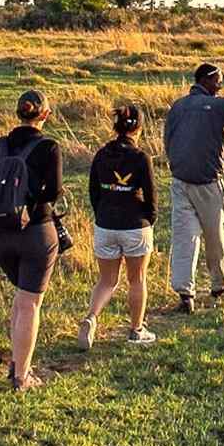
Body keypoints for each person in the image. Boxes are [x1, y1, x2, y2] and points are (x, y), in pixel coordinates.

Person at [163, 63, 224, 313]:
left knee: (184, 238)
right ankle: (220, 283)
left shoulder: (177, 106)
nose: (220, 85)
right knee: (213, 235)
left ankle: (186, 294)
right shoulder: (218, 106)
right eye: (218, 81)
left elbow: (168, 139)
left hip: (179, 181)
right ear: (206, 81)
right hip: (207, 183)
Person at [0, 89, 64, 390]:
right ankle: (22, 375)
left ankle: (17, 361)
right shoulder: (49, 147)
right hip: (36, 233)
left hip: (1, 234)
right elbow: (53, 192)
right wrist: (31, 206)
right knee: (30, 303)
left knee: (20, 298)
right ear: (45, 115)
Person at [79, 103, 158, 349]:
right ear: (139, 129)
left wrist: (102, 213)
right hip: (135, 224)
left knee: (106, 281)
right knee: (137, 280)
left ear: (115, 127)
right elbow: (151, 196)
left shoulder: (101, 155)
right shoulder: (141, 157)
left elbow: (93, 191)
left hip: (106, 224)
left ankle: (91, 317)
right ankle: (136, 329)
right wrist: (149, 219)